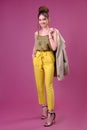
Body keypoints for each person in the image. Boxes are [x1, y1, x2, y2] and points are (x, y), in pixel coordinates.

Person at [32, 6, 57, 127]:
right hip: (38, 59)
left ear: (48, 19)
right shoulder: (36, 33)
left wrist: (50, 35)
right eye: (40, 19)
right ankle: (44, 106)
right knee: (39, 85)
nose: (42, 21)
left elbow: (54, 48)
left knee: (49, 85)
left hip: (48, 59)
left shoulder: (54, 31)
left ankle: (51, 113)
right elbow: (35, 45)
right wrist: (33, 55)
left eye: (44, 19)